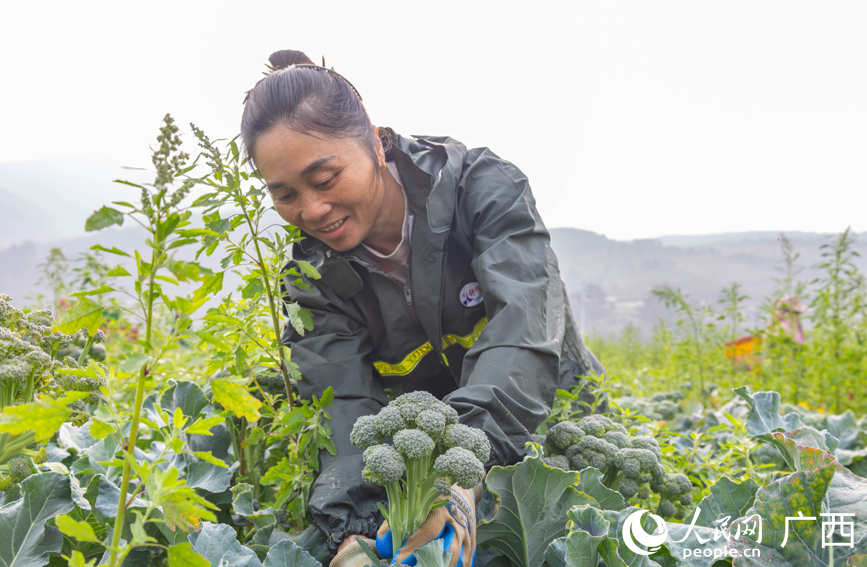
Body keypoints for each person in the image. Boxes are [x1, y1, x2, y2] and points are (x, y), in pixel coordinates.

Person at [241, 49, 605, 567]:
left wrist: (456, 474)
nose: (312, 210)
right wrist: (355, 534)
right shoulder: (312, 277)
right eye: (284, 195)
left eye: (324, 180)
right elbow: (341, 403)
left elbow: (522, 330)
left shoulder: (483, 189)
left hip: (550, 413)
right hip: (430, 461)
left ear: (374, 139)